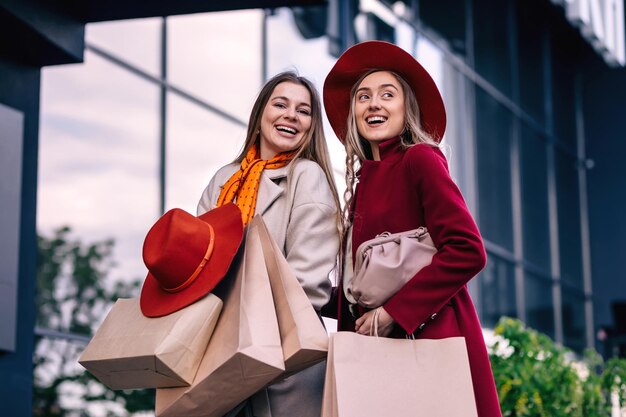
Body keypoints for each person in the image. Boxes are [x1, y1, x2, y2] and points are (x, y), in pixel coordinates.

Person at [322, 41, 502, 417]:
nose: (374, 104)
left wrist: (394, 313)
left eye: (388, 95)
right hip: (380, 350)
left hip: (431, 338)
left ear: (407, 108)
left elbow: (468, 250)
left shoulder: (419, 160)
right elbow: (367, 283)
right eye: (364, 97)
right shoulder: (359, 185)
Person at [197, 71, 341, 417]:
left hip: (283, 360)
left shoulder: (307, 176)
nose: (291, 115)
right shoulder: (224, 179)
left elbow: (306, 285)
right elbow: (198, 266)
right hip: (219, 353)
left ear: (310, 126)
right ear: (261, 113)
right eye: (280, 104)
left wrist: (248, 332)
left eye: (303, 110)